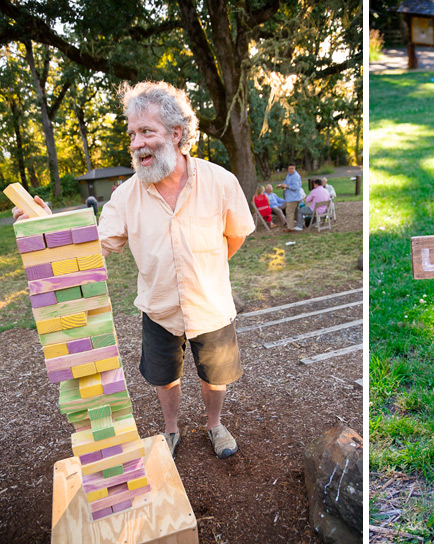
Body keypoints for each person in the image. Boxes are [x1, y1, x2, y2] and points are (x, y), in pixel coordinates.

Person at [12, 82, 255, 460]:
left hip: (212, 306)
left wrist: (208, 273)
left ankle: (214, 424)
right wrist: (42, 224)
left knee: (215, 376)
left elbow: (235, 235)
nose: (137, 143)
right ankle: (171, 429)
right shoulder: (126, 196)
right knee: (165, 377)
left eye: (146, 132)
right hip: (159, 310)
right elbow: (89, 246)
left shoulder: (221, 181)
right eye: (132, 134)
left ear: (176, 134)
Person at [278, 163, 303, 232]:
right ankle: (300, 224)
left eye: (292, 168)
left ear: (295, 168)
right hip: (291, 197)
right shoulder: (289, 175)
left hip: (293, 197)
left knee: (289, 212)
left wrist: (286, 186)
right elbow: (286, 183)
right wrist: (281, 185)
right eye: (289, 168)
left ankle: (290, 227)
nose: (290, 170)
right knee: (296, 211)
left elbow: (295, 187)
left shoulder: (295, 176)